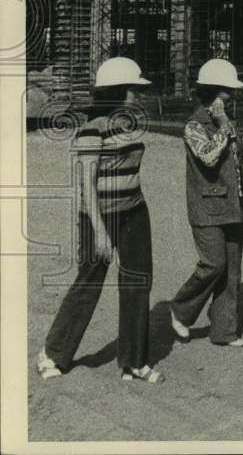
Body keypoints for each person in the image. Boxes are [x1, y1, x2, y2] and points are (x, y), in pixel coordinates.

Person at [36, 57, 164, 383]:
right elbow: (86, 187)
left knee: (138, 281)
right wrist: (101, 233)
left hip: (134, 210)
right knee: (90, 280)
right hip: (99, 214)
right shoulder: (91, 129)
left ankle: (133, 362)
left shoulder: (130, 124)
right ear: (119, 91)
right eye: (133, 90)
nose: (137, 95)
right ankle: (53, 352)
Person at [171, 59, 243, 347]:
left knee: (231, 269)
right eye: (227, 93)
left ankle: (224, 331)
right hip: (206, 207)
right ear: (212, 94)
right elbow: (209, 157)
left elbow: (232, 156)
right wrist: (225, 126)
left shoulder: (227, 124)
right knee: (213, 264)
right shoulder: (193, 126)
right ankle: (180, 309)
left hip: (232, 205)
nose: (232, 97)